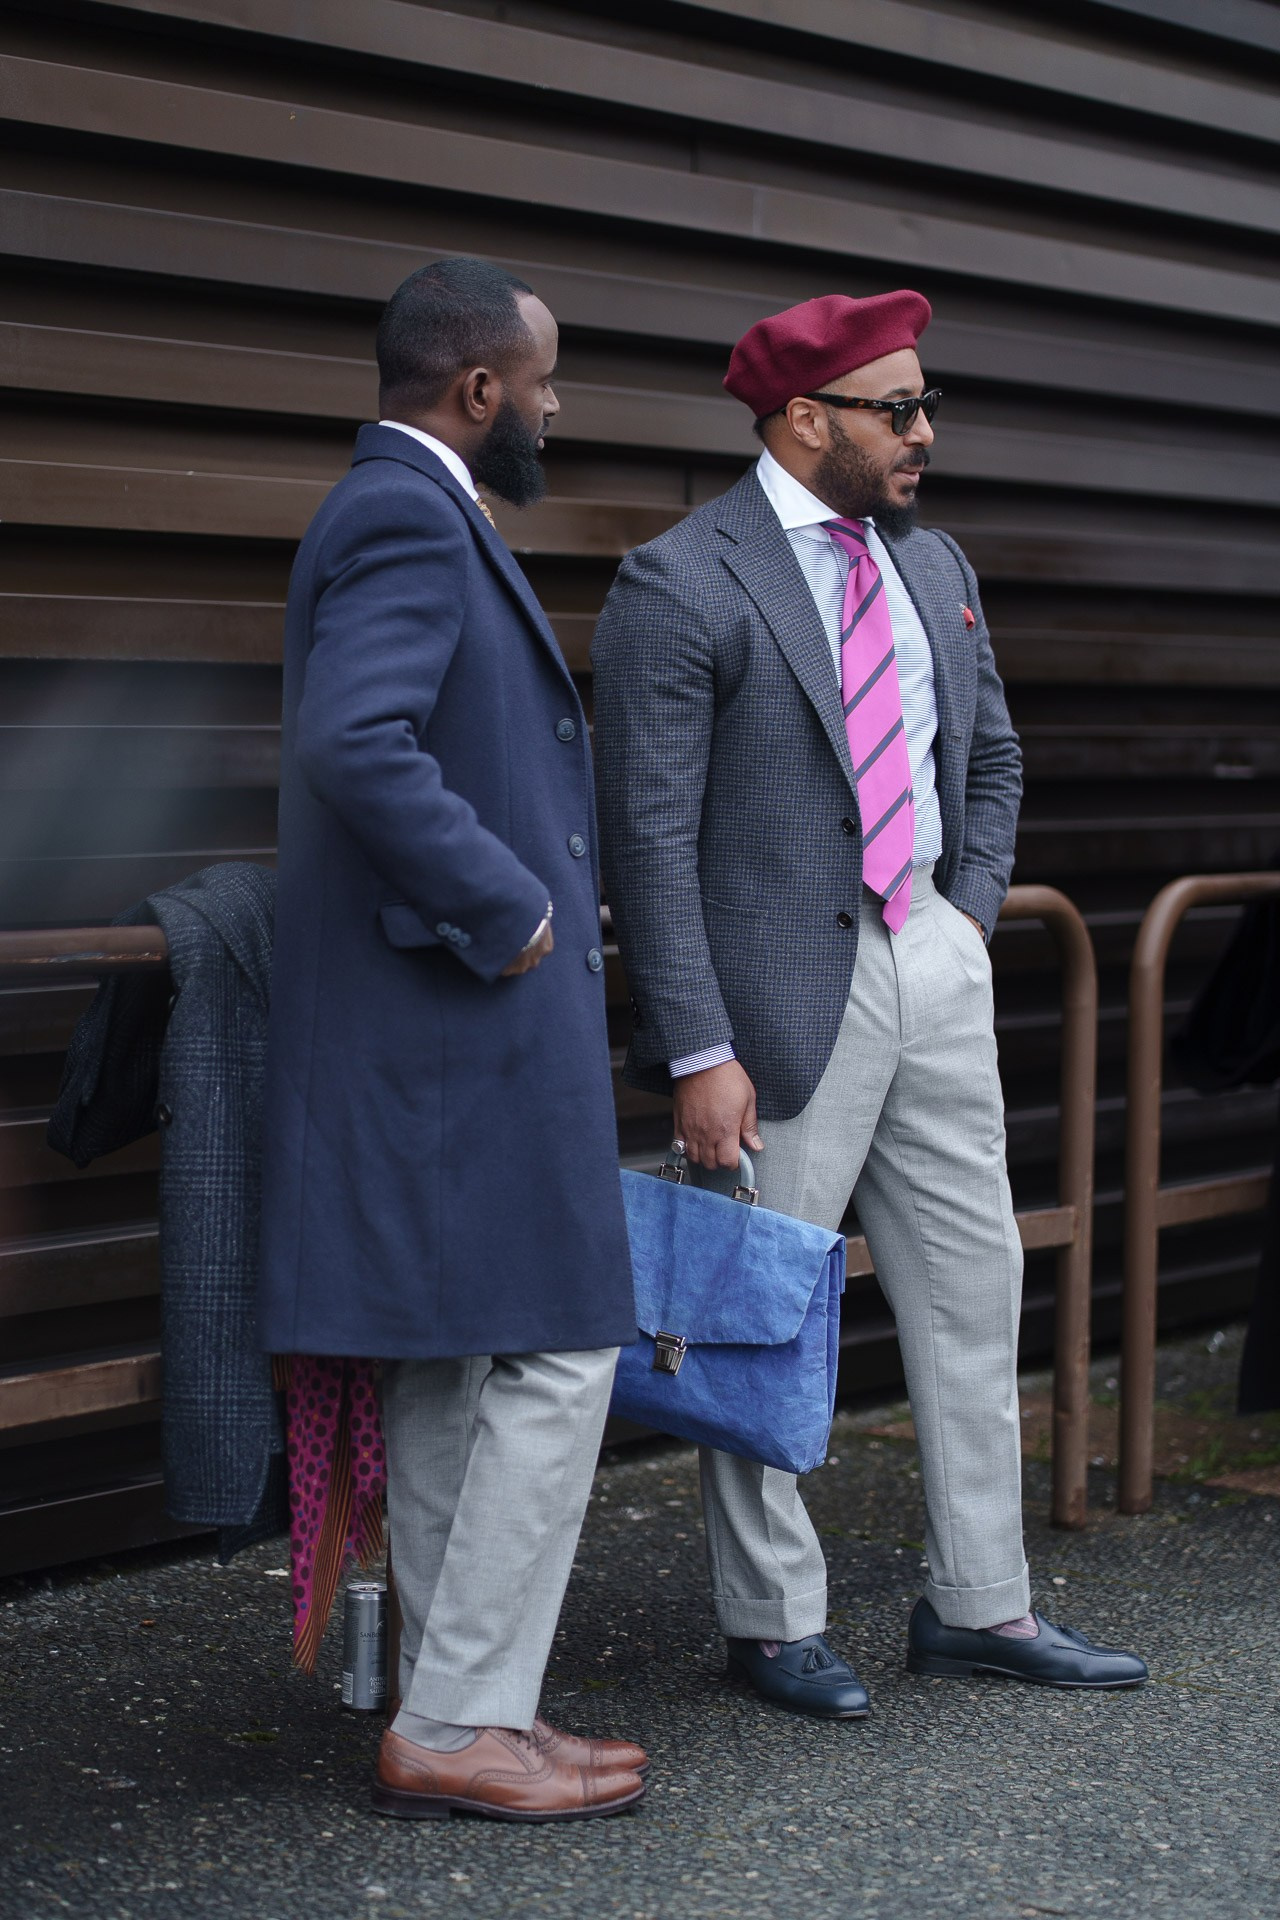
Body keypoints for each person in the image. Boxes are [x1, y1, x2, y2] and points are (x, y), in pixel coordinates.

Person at [591, 290, 1147, 1715]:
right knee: (756, 1309)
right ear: (801, 418)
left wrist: (959, 919)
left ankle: (983, 1604)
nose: (924, 433)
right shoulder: (682, 578)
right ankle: (771, 1621)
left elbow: (996, 758)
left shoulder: (932, 558)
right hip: (773, 1006)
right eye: (896, 409)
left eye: (926, 404)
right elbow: (646, 838)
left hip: (929, 960)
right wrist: (698, 1045)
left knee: (977, 1287)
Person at [259, 257, 647, 1821]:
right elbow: (354, 736)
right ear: (479, 391)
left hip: (436, 1037)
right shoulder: (410, 513)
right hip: (452, 1022)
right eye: (545, 382)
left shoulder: (404, 510)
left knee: (449, 1365)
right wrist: (509, 907)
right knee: (560, 1346)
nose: (556, 407)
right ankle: (460, 1716)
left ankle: (462, 1707)